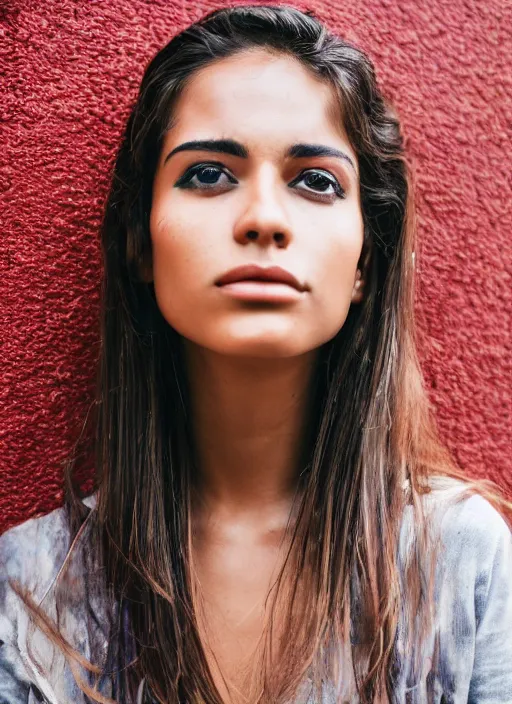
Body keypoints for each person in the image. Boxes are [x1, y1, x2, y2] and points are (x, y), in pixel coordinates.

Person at [1, 4, 511, 703]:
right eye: (208, 174)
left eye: (317, 181)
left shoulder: (463, 562)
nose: (265, 219)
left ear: (367, 260)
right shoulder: (29, 594)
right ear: (140, 244)